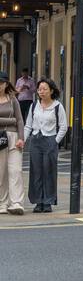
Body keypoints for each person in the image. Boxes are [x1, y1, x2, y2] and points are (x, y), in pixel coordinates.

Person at [24, 78, 68, 213]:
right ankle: (38, 202)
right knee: (36, 172)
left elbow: (64, 126)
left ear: (51, 91)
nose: (41, 92)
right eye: (39, 89)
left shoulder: (57, 106)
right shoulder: (34, 105)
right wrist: (23, 140)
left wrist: (55, 141)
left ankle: (48, 201)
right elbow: (28, 125)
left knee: (48, 172)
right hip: (36, 141)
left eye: (44, 89)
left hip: (50, 140)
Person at [0, 71, 26, 215]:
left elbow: (20, 120)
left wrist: (21, 138)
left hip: (14, 138)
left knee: (16, 170)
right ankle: (2, 203)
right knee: (1, 173)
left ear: (6, 84)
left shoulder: (12, 99)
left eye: (1, 83)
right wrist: (11, 121)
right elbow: (15, 120)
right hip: (0, 139)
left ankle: (16, 202)